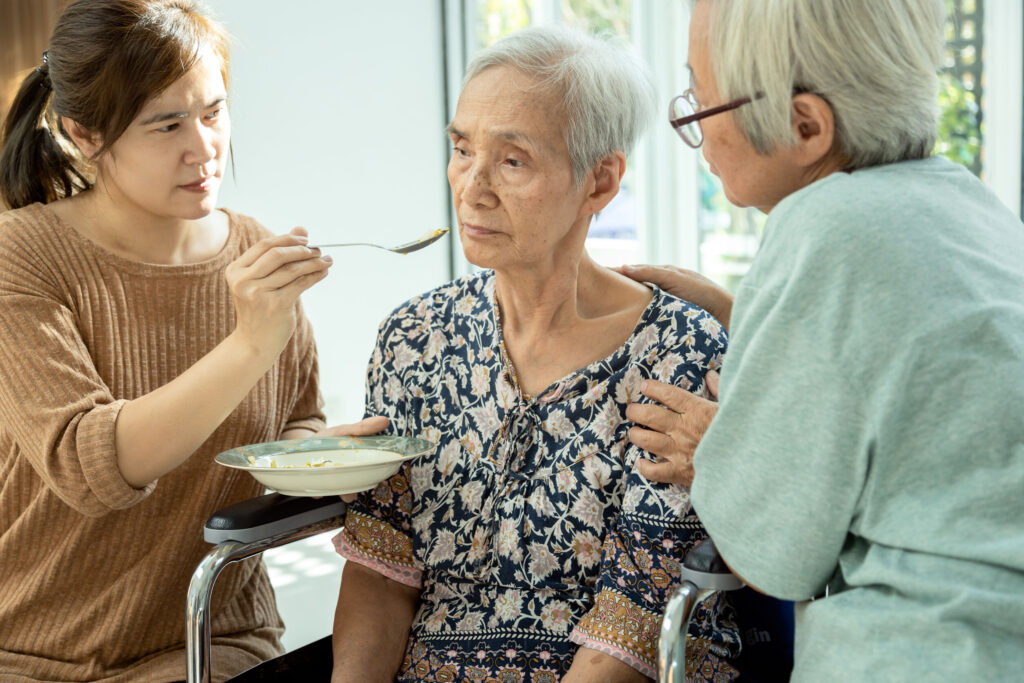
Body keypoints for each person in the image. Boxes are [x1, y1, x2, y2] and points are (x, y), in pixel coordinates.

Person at [621, 0, 1024, 680]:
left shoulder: (820, 227)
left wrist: (716, 451)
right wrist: (747, 316)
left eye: (699, 107)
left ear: (805, 124)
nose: (698, 136)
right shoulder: (969, 203)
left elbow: (776, 557)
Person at [329, 26, 745, 683]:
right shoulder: (412, 338)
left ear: (600, 181)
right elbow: (381, 578)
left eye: (513, 160)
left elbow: (632, 621)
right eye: (462, 149)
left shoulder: (678, 353)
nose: (472, 187)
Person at [0, 1, 381, 680]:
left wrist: (321, 456)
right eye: (167, 124)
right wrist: (248, 343)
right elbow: (90, 468)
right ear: (83, 134)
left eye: (213, 112)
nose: (205, 146)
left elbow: (293, 419)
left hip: (208, 641)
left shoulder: (257, 253)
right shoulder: (21, 257)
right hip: (28, 651)